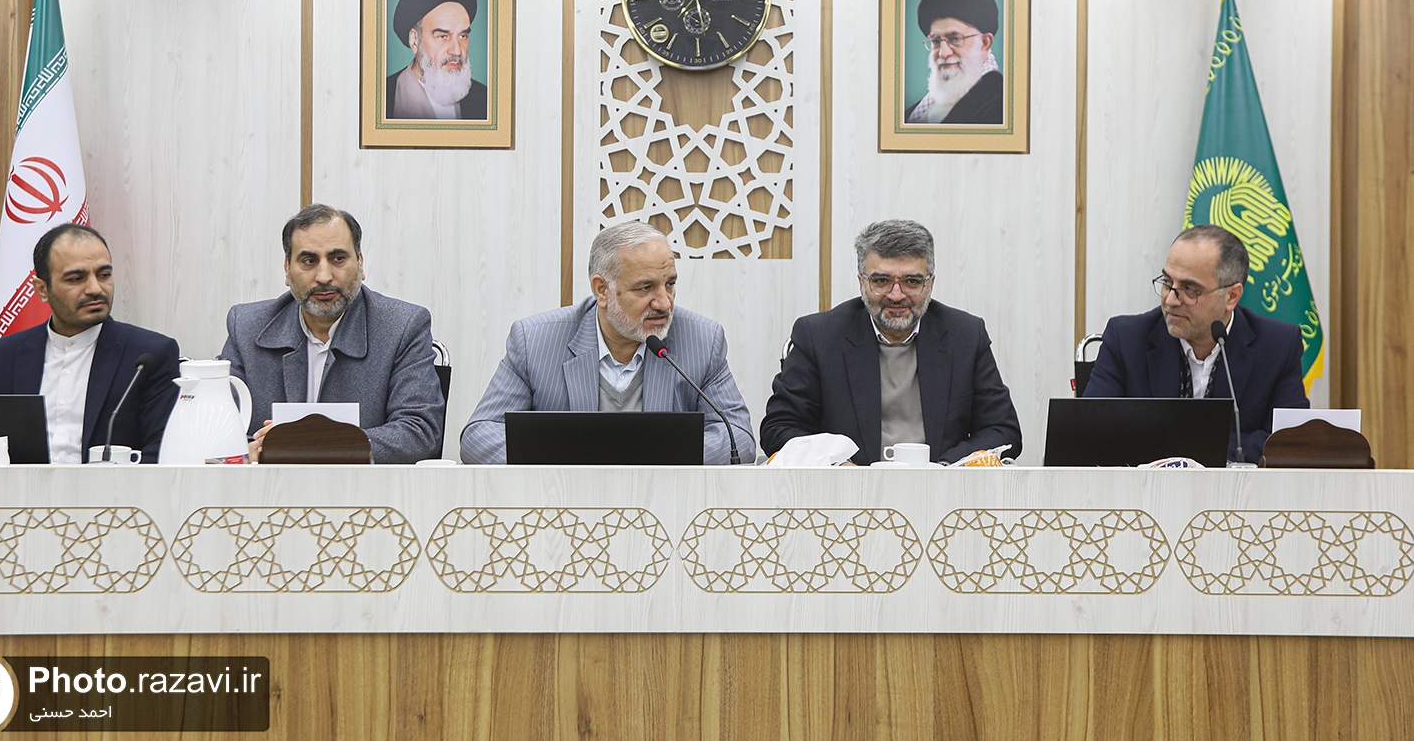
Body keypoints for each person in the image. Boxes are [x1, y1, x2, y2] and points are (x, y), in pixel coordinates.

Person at [461, 221, 755, 465]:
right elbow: (478, 437)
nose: (664, 303)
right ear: (602, 290)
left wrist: (650, 458)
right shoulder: (535, 341)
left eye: (670, 284)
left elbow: (739, 439)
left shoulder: (702, 339)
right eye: (645, 287)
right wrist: (575, 461)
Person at [761, 219, 1021, 465]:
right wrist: (836, 464)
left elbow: (1002, 430)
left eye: (912, 281)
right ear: (862, 282)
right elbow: (779, 429)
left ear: (930, 284)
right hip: (847, 489)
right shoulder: (818, 337)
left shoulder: (965, 336)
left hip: (942, 489)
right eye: (882, 281)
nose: (896, 295)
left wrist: (943, 469)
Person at [220, 204, 445, 463]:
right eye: (309, 261)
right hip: (269, 485)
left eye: (338, 259)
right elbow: (216, 426)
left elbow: (420, 433)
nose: (324, 277)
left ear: (360, 264)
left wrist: (311, 443)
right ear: (287, 269)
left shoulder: (402, 326)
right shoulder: (247, 327)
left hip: (364, 487)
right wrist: (247, 450)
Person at [1083, 224, 1308, 463]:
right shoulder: (1126, 340)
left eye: (1189, 289)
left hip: (1235, 487)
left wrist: (1184, 448)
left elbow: (1289, 442)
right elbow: (1091, 433)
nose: (1171, 300)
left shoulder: (1278, 346)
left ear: (1231, 296)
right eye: (1167, 282)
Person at [0, 223, 180, 463]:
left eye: (104, 275)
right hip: (21, 487)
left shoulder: (149, 356)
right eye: (76, 279)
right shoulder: (0, 358)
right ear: (42, 289)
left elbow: (163, 450)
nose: (95, 289)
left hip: (113, 487)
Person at [385, 0, 489, 122]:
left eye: (462, 36)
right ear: (415, 41)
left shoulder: (485, 99)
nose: (457, 50)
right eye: (442, 37)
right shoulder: (382, 97)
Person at [904, 0, 1004, 126]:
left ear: (984, 42)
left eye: (955, 39)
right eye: (936, 41)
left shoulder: (1002, 104)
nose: (943, 53)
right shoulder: (914, 112)